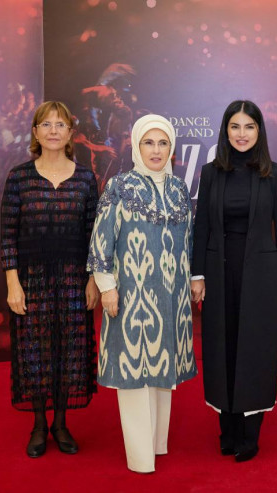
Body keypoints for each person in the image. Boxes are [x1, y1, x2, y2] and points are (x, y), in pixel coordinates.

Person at [87, 114, 197, 474]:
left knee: (163, 371)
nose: (156, 150)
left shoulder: (179, 188)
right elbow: (102, 240)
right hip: (131, 297)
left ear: (171, 148)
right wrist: (107, 287)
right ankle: (139, 457)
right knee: (134, 371)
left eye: (163, 143)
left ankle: (157, 444)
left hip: (172, 297)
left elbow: (189, 241)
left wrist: (190, 282)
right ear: (136, 146)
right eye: (148, 142)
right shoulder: (119, 186)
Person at [191, 100, 277, 462]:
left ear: (259, 131)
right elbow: (202, 226)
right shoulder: (210, 172)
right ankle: (228, 428)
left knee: (254, 348)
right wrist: (197, 274)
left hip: (262, 273)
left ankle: (250, 434)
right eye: (234, 127)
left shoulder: (275, 173)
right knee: (222, 346)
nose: (241, 134)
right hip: (218, 271)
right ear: (225, 131)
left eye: (249, 127)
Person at [0, 101, 99, 458]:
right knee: (36, 351)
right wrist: (13, 283)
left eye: (60, 124)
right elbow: (8, 236)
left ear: (71, 133)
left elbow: (94, 236)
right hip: (32, 281)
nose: (53, 130)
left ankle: (61, 423)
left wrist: (93, 281)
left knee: (69, 350)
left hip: (74, 280)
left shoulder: (86, 178)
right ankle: (40, 424)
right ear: (36, 132)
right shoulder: (19, 178)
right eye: (46, 124)